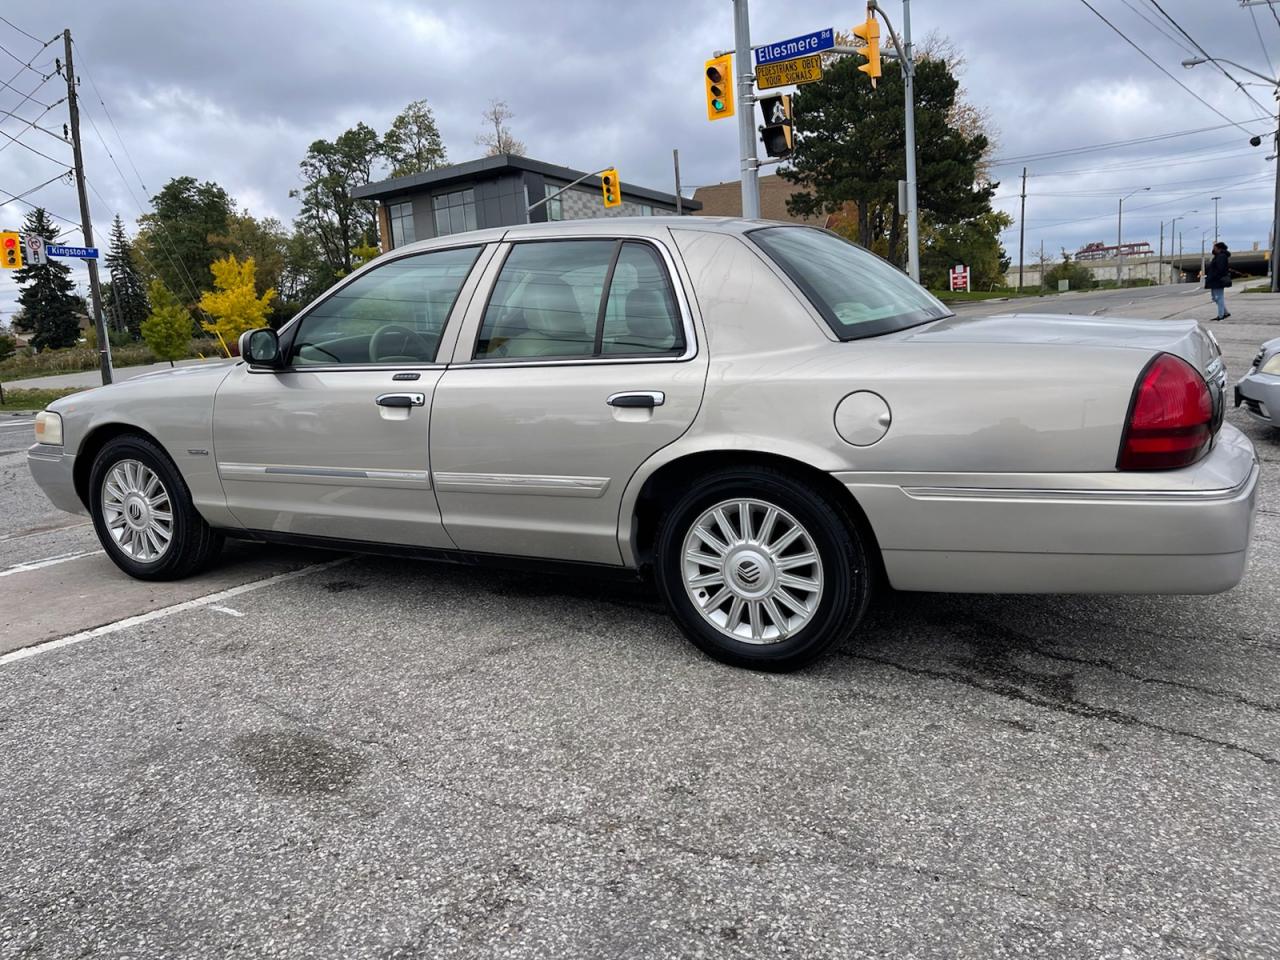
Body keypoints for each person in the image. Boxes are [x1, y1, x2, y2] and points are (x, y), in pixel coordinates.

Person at [1206, 241, 1231, 320]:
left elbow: (1220, 269)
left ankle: (1221, 315)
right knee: (1215, 298)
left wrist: (1214, 276)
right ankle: (1225, 312)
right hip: (1214, 280)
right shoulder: (1218, 256)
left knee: (1219, 297)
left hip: (1217, 280)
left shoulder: (1221, 256)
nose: (1213, 249)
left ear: (1219, 249)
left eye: (1214, 248)